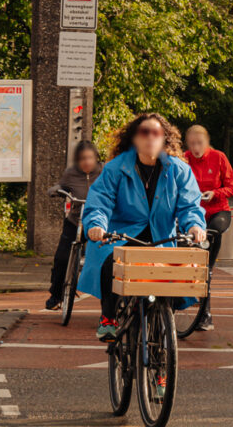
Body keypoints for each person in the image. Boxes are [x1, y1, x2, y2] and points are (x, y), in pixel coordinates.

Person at [80, 111, 206, 341]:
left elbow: (189, 205)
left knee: (173, 277)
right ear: (134, 138)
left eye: (156, 133)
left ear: (164, 138)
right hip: (122, 236)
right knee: (112, 260)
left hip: (161, 239)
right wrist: (96, 225)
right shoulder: (115, 168)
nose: (150, 137)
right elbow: (100, 201)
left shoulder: (179, 170)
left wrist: (195, 226)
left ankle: (161, 348)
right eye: (144, 132)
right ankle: (108, 318)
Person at [183, 125, 233, 332]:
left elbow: (231, 186)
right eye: (192, 144)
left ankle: (205, 314)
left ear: (207, 142)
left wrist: (216, 193)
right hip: (191, 215)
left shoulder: (219, 157)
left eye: (200, 143)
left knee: (206, 265)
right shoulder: (183, 159)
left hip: (216, 212)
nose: (196, 148)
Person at [45, 140, 103, 310]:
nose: (86, 162)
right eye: (82, 159)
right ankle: (55, 295)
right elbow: (61, 185)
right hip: (75, 221)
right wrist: (55, 189)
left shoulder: (104, 171)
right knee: (62, 257)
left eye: (89, 158)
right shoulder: (71, 173)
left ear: (96, 157)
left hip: (98, 222)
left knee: (105, 259)